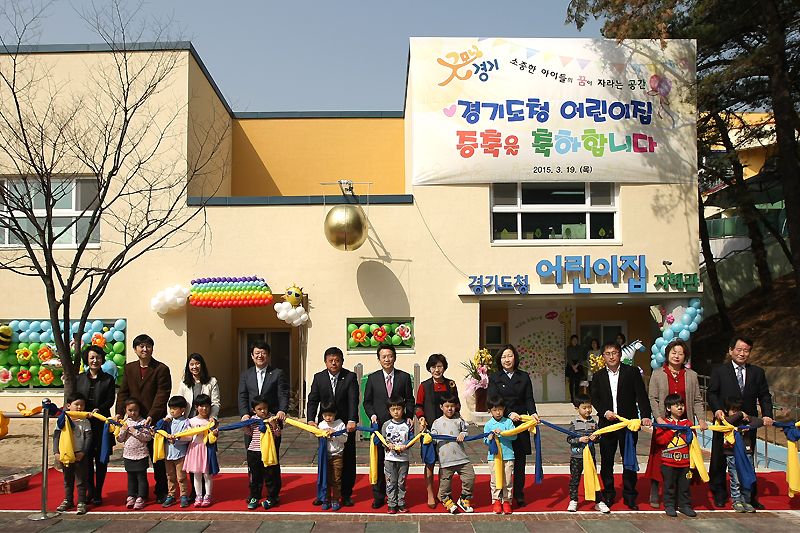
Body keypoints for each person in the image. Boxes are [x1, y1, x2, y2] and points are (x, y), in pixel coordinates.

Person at [707, 335, 773, 509]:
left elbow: (764, 395)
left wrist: (767, 415)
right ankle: (719, 493)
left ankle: (749, 495)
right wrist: (717, 410)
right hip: (725, 423)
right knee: (720, 459)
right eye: (739, 349)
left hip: (747, 423)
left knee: (748, 459)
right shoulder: (720, 371)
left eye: (746, 350)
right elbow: (712, 393)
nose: (742, 353)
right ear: (731, 350)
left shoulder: (757, 372)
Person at [591, 341, 652, 510]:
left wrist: (646, 416)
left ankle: (630, 495)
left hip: (628, 425)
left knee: (629, 461)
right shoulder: (598, 376)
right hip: (607, 425)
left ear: (620, 354)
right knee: (607, 461)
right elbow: (594, 398)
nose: (611, 356)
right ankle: (609, 494)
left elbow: (642, 395)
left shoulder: (631, 372)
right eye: (608, 354)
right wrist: (605, 412)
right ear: (603, 357)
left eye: (615, 353)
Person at [646, 339, 707, 508]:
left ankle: (681, 497)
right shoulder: (658, 373)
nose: (677, 356)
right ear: (667, 354)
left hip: (684, 425)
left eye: (681, 353)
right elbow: (653, 397)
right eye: (674, 352)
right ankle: (654, 491)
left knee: (683, 461)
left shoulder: (691, 375)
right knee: (658, 459)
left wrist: (701, 419)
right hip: (664, 425)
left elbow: (696, 400)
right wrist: (658, 418)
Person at [115, 334, 171, 503]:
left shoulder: (161, 369)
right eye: (141, 346)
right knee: (135, 459)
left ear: (152, 348)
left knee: (157, 458)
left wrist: (151, 416)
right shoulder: (129, 368)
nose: (144, 349)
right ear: (135, 349)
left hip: (153, 422)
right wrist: (119, 412)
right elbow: (123, 391)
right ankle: (138, 493)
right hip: (133, 420)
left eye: (147, 346)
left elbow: (162, 395)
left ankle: (161, 491)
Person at [486, 343, 539, 508]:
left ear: (515, 357)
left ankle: (518, 494)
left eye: (509, 356)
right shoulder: (495, 377)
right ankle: (500, 495)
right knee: (503, 461)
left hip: (521, 423)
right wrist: (508, 413)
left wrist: (533, 413)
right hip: (503, 423)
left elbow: (529, 398)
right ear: (499, 360)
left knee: (520, 461)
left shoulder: (524, 376)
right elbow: (493, 399)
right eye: (503, 357)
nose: (507, 359)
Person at [362, 343, 415, 509]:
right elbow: (367, 402)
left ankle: (399, 497)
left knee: (398, 463)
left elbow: (410, 400)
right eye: (383, 356)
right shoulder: (372, 378)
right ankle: (379, 496)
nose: (387, 359)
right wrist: (372, 415)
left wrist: (408, 417)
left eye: (390, 356)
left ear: (395, 357)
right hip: (380, 428)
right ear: (378, 359)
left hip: (399, 427)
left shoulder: (404, 377)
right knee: (378, 461)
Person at [306, 346, 359, 507]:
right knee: (325, 461)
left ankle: (346, 494)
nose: (334, 363)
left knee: (347, 460)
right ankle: (324, 495)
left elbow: (353, 400)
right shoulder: (319, 378)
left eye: (337, 360)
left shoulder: (349, 377)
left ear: (342, 361)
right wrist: (310, 420)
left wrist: (352, 420)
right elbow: (313, 400)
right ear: (325, 362)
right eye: (331, 360)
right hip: (325, 426)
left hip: (344, 426)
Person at [238, 339, 289, 504]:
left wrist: (282, 411)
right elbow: (243, 395)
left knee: (271, 460)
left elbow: (283, 393)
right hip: (251, 424)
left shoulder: (278, 373)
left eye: (263, 353)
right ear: (252, 356)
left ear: (268, 355)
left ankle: (274, 494)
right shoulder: (246, 374)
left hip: (271, 422)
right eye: (257, 353)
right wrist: (245, 414)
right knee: (253, 460)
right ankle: (255, 492)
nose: (260, 356)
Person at [415, 353, 459, 508]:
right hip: (429, 431)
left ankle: (442, 492)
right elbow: (418, 406)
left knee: (446, 464)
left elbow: (457, 405)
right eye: (433, 367)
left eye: (439, 366)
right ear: (429, 368)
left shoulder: (451, 384)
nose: (437, 370)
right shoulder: (424, 385)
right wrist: (421, 418)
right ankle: (430, 494)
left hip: (448, 431)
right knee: (430, 463)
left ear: (444, 367)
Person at [75, 345, 116, 506]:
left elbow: (110, 399)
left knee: (101, 459)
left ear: (102, 360)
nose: (95, 360)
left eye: (98, 357)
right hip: (84, 424)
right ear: (87, 359)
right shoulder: (80, 379)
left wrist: (101, 408)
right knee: (86, 459)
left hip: (101, 424)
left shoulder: (108, 379)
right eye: (92, 357)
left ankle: (98, 492)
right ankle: (89, 491)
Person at [430, 393, 474, 514]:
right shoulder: (437, 423)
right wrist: (427, 435)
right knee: (445, 483)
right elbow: (432, 437)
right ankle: (446, 499)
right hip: (446, 461)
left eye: (452, 406)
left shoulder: (459, 421)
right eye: (447, 406)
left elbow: (466, 431)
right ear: (441, 407)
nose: (450, 409)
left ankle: (464, 498)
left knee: (470, 477)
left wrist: (462, 434)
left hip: (462, 458)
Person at [566, 393, 609, 514]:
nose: (588, 410)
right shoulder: (574, 423)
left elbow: (599, 436)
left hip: (590, 457)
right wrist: (579, 440)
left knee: (593, 478)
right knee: (575, 479)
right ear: (577, 409)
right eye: (584, 408)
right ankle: (573, 500)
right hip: (577, 457)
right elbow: (569, 439)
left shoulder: (593, 423)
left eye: (589, 407)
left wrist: (595, 438)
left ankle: (598, 501)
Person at [654, 394, 696, 517]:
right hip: (668, 462)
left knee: (684, 485)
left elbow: (692, 440)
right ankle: (669, 505)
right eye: (676, 406)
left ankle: (684, 505)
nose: (680, 408)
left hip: (685, 461)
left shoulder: (687, 423)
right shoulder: (664, 423)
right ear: (668, 408)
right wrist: (671, 431)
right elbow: (660, 441)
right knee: (669, 485)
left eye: (681, 405)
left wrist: (687, 432)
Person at [720, 396, 763, 513]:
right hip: (732, 453)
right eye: (733, 411)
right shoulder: (726, 421)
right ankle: (736, 500)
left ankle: (746, 500)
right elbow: (727, 422)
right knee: (736, 479)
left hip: (746, 452)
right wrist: (739, 415)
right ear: (727, 410)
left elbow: (760, 421)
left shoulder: (746, 420)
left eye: (738, 410)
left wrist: (748, 422)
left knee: (746, 477)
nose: (736, 413)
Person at [54, 392, 92, 515]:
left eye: (82, 405)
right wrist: (56, 452)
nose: (80, 407)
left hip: (80, 454)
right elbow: (56, 436)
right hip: (66, 454)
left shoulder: (85, 421)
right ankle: (68, 500)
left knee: (81, 479)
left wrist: (83, 452)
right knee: (68, 479)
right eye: (77, 404)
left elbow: (88, 437)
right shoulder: (62, 419)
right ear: (69, 406)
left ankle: (81, 502)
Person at [243, 394, 282, 510]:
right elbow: (249, 433)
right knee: (254, 476)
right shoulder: (252, 420)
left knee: (270, 476)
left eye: (264, 408)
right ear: (253, 410)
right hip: (253, 451)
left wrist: (274, 424)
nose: (263, 411)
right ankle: (255, 496)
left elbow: (278, 433)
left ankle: (272, 497)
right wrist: (245, 425)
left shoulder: (272, 418)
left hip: (268, 452)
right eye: (259, 409)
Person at [183, 394, 219, 507]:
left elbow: (213, 438)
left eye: (207, 406)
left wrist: (215, 434)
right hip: (194, 449)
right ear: (196, 407)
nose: (204, 409)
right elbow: (188, 436)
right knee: (196, 475)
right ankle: (198, 495)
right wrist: (177, 437)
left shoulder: (211, 422)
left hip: (206, 449)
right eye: (201, 406)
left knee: (207, 474)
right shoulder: (191, 421)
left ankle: (207, 495)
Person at [484, 395, 516, 515]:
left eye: (500, 409)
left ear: (504, 409)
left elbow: (514, 436)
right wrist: (490, 437)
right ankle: (496, 500)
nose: (498, 412)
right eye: (495, 410)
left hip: (508, 456)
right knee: (495, 479)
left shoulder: (508, 422)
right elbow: (485, 441)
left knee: (507, 479)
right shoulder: (488, 424)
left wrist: (503, 433)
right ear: (490, 411)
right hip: (494, 457)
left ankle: (507, 501)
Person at [117, 397, 152, 510]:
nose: (133, 413)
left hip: (141, 454)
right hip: (128, 454)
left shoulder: (143, 422)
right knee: (131, 476)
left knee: (141, 476)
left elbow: (148, 437)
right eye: (130, 410)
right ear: (125, 411)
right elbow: (120, 439)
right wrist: (123, 430)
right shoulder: (125, 423)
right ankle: (131, 495)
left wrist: (135, 432)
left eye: (135, 410)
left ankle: (141, 496)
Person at [382, 395, 413, 514]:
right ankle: (391, 503)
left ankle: (401, 502)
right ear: (389, 410)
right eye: (393, 409)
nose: (396, 412)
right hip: (389, 459)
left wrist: (406, 445)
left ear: (403, 409)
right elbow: (382, 439)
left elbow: (411, 439)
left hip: (403, 459)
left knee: (402, 481)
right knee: (391, 481)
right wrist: (387, 445)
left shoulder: (407, 425)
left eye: (398, 409)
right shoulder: (386, 425)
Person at [317, 398, 348, 511]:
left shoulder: (340, 424)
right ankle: (326, 499)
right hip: (324, 456)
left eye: (330, 415)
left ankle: (335, 500)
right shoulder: (321, 425)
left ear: (335, 413)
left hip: (337, 455)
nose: (328, 418)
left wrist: (335, 434)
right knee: (326, 479)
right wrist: (313, 430)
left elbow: (344, 439)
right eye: (325, 415)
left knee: (336, 479)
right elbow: (313, 435)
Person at [161, 396, 191, 509]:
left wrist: (176, 439)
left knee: (181, 477)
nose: (172, 411)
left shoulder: (185, 422)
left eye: (174, 408)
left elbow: (188, 437)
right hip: (168, 454)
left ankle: (183, 495)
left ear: (182, 410)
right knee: (170, 476)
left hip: (180, 454)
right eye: (170, 409)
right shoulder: (167, 423)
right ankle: (171, 495)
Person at [178, 353, 221, 421]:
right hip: (188, 421)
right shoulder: (184, 384)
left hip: (205, 421)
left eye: (197, 363)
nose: (194, 367)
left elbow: (215, 402)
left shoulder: (212, 382)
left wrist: (212, 416)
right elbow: (178, 403)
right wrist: (169, 417)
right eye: (191, 364)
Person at [565, 335, 586, 403]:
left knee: (577, 382)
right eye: (573, 340)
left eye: (576, 340)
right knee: (571, 382)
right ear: (571, 341)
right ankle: (572, 397)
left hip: (578, 364)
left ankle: (577, 396)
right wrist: (573, 366)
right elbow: (568, 357)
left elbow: (581, 357)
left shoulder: (580, 348)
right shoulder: (569, 348)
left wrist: (577, 365)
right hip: (571, 365)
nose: (575, 341)